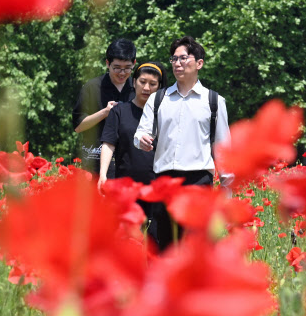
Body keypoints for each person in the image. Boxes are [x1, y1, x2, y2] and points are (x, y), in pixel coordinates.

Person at [133, 36, 232, 249]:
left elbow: (223, 149)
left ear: (199, 63)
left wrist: (226, 191)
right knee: (164, 248)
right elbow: (140, 133)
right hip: (165, 182)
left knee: (196, 248)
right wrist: (141, 139)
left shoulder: (213, 101)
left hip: (198, 181)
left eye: (183, 58)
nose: (177, 63)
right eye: (174, 59)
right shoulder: (158, 99)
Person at [97, 61, 166, 189]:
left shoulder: (165, 114)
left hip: (157, 187)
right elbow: (108, 143)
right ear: (134, 82)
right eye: (142, 82)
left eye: (152, 84)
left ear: (159, 87)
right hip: (125, 186)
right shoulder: (119, 111)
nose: (146, 88)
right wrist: (103, 174)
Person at [72, 38, 137, 175]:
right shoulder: (92, 87)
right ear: (107, 64)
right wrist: (105, 112)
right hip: (95, 162)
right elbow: (78, 127)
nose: (122, 73)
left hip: (129, 163)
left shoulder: (138, 88)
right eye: (117, 68)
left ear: (134, 64)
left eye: (127, 68)